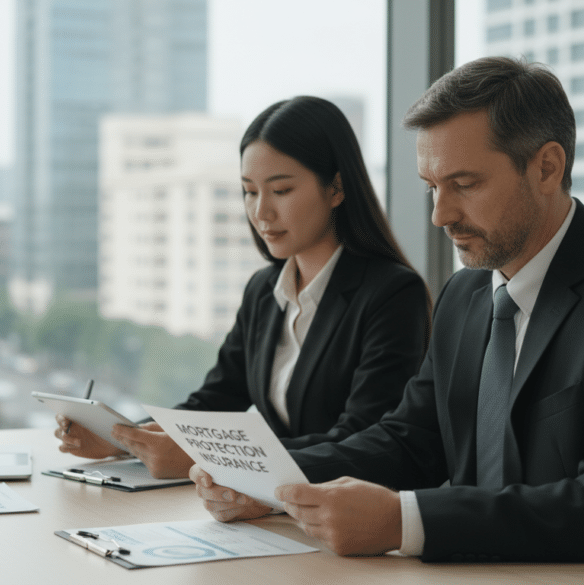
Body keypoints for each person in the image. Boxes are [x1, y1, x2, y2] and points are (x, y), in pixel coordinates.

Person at [190, 57, 584, 585]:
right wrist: (263, 475)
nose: (440, 215)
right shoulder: (467, 294)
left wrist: (403, 520)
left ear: (547, 167)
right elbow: (409, 441)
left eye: (465, 184)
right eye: (432, 187)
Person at [55, 96, 431, 479]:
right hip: (267, 507)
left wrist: (208, 457)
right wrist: (122, 438)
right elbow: (216, 400)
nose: (261, 212)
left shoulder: (393, 295)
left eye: (281, 191)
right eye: (250, 191)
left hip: (344, 513)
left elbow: (360, 438)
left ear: (336, 187)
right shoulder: (264, 290)